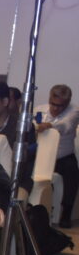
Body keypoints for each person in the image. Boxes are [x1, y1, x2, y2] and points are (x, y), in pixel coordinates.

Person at [34, 84, 79, 228]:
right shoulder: (39, 109)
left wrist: (49, 126)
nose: (55, 108)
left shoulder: (74, 111)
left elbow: (66, 126)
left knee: (73, 174)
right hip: (41, 155)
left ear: (67, 103)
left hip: (63, 157)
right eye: (52, 103)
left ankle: (66, 214)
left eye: (60, 106)